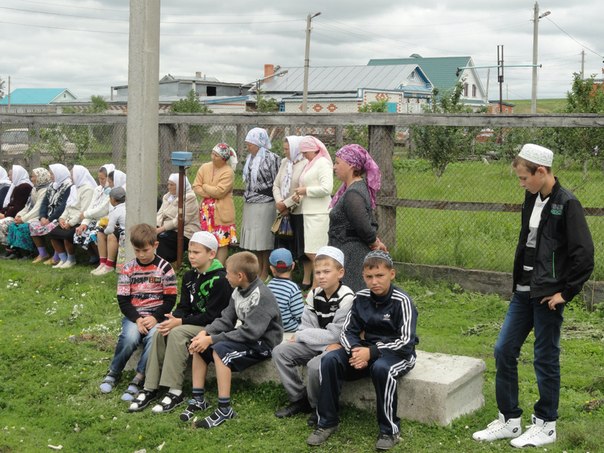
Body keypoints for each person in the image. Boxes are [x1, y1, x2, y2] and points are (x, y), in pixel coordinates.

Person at [472, 144, 594, 448]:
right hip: (523, 291)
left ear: (542, 172)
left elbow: (584, 255)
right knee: (503, 350)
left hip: (547, 296)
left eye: (524, 177)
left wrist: (565, 292)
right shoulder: (531, 198)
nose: (521, 183)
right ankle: (510, 420)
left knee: (545, 358)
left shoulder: (568, 204)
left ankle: (545, 424)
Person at [307, 250, 418, 450]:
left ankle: (389, 430)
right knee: (330, 360)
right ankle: (327, 422)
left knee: (382, 369)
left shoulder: (402, 301)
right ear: (363, 277)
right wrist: (357, 350)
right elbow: (347, 332)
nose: (374, 281)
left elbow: (406, 341)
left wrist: (372, 353)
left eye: (380, 276)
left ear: (391, 274)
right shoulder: (361, 298)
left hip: (397, 354)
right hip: (364, 351)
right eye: (369, 277)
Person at [127, 231, 232, 414]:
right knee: (162, 329)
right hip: (192, 321)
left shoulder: (221, 280)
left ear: (211, 254)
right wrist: (173, 318)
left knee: (177, 333)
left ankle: (175, 390)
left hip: (211, 326)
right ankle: (150, 387)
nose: (191, 256)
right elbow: (184, 306)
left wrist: (181, 322)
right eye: (190, 252)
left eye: (196, 252)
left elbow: (213, 316)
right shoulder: (190, 276)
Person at [185, 251, 283, 429]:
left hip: (263, 343)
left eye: (228, 272)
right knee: (200, 345)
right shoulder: (237, 290)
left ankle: (225, 409)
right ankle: (198, 399)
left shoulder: (261, 296)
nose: (225, 276)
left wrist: (213, 339)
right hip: (248, 337)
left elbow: (250, 333)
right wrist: (205, 333)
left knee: (221, 351)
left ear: (240, 276)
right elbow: (226, 319)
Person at [272, 246, 354, 426]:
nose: (321, 276)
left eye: (326, 271)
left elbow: (336, 335)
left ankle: (318, 407)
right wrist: (319, 342)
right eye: (317, 272)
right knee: (280, 351)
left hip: (339, 347)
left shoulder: (346, 297)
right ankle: (299, 399)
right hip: (323, 345)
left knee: (315, 366)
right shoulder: (314, 294)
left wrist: (305, 336)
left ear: (340, 273)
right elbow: (305, 325)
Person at [99, 223, 177, 401]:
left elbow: (170, 299)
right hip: (134, 317)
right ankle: (114, 371)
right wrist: (137, 319)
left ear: (155, 246)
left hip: (157, 317)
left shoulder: (165, 269)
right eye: (137, 250)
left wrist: (155, 317)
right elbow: (123, 300)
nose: (141, 255)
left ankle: (139, 377)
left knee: (154, 339)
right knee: (130, 338)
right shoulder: (128, 269)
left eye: (145, 250)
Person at [328, 144, 386, 292]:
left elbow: (362, 225)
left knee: (349, 295)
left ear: (351, 165)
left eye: (337, 163)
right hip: (346, 250)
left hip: (352, 254)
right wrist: (376, 242)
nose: (334, 167)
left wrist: (374, 242)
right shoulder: (353, 189)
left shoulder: (353, 194)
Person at [292, 136, 333, 289]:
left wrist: (305, 190)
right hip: (309, 212)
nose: (303, 155)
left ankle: (319, 286)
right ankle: (318, 286)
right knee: (311, 251)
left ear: (313, 150)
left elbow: (326, 188)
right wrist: (300, 194)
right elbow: (308, 186)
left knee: (315, 253)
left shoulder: (323, 163)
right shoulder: (311, 164)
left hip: (320, 213)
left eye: (305, 152)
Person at [240, 127, 280, 281]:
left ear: (258, 143)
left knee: (264, 238)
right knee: (253, 238)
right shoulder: (249, 159)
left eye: (250, 144)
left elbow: (277, 181)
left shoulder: (272, 158)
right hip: (250, 202)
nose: (248, 147)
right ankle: (257, 269)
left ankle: (265, 271)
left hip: (266, 202)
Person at [272, 135, 312, 288]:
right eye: (284, 149)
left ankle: (306, 279)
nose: (285, 152)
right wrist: (279, 203)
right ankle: (285, 276)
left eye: (287, 149)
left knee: (302, 246)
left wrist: (287, 205)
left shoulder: (305, 164)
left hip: (299, 210)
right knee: (284, 244)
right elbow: (276, 184)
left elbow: (301, 189)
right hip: (283, 211)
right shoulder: (284, 162)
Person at [192, 143, 238, 264]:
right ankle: (206, 265)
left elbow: (220, 192)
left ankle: (219, 267)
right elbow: (196, 186)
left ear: (223, 159)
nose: (213, 157)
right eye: (212, 154)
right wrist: (211, 192)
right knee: (207, 239)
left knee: (222, 241)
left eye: (216, 156)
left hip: (222, 212)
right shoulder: (204, 167)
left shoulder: (228, 172)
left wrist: (206, 186)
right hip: (206, 213)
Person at [46, 164, 96, 269]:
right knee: (52, 233)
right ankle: (63, 259)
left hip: (79, 221)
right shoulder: (74, 188)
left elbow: (84, 211)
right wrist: (62, 218)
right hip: (68, 219)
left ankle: (71, 259)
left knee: (67, 235)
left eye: (72, 174)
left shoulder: (88, 190)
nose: (71, 177)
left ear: (78, 175)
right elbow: (68, 206)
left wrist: (70, 223)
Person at [29, 163, 74, 265]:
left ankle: (57, 256)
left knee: (52, 227)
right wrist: (42, 217)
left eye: (52, 174)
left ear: (59, 174)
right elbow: (44, 203)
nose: (50, 176)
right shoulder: (52, 186)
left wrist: (50, 219)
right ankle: (42, 253)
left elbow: (63, 206)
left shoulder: (68, 187)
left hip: (59, 217)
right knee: (33, 225)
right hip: (47, 217)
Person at [73, 164, 115, 264]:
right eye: (99, 178)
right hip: (93, 218)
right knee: (79, 233)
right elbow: (91, 206)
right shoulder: (98, 189)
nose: (101, 181)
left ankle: (103, 261)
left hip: (104, 219)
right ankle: (95, 256)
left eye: (103, 178)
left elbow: (103, 210)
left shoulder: (113, 191)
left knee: (92, 234)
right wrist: (84, 223)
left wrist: (86, 214)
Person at [6, 168, 51, 259]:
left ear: (41, 177)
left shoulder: (45, 190)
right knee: (13, 225)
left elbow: (38, 209)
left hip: (41, 216)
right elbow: (28, 206)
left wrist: (23, 219)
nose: (32, 179)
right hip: (31, 215)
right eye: (32, 176)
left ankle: (29, 252)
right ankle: (16, 251)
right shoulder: (35, 189)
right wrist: (19, 215)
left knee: (23, 226)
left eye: (34, 176)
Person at [156, 173, 200, 263]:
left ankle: (161, 266)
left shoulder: (189, 197)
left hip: (185, 232)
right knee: (148, 237)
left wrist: (160, 229)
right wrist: (156, 227)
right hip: (166, 230)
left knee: (161, 241)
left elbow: (180, 221)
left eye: (172, 185)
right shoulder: (167, 196)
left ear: (180, 186)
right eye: (168, 184)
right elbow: (160, 214)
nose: (168, 187)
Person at [91, 169, 127, 274]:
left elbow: (112, 225)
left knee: (110, 234)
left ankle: (109, 265)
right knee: (99, 231)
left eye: (110, 182)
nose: (109, 184)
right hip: (117, 225)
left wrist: (107, 228)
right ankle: (102, 262)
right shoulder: (117, 193)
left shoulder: (123, 193)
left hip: (125, 229)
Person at [267, 248, 304, 332]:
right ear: (293, 266)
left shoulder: (269, 285)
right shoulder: (293, 288)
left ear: (272, 269)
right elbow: (299, 314)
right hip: (289, 327)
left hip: (272, 325)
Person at [0, 165, 33, 251]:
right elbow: (11, 204)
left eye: (11, 175)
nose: (9, 177)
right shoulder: (16, 185)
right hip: (14, 214)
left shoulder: (25, 187)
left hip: (19, 215)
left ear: (17, 174)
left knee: (2, 224)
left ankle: (9, 247)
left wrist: (5, 215)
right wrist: (3, 212)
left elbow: (19, 207)